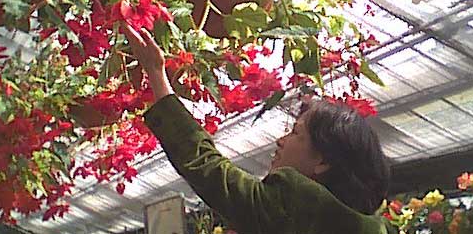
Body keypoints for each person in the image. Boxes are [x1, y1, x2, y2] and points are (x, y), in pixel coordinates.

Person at [123, 24, 390, 234]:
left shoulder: (295, 205)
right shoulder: (374, 227)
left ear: (322, 161)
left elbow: (210, 170)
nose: (280, 141)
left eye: (296, 133)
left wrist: (156, 73)